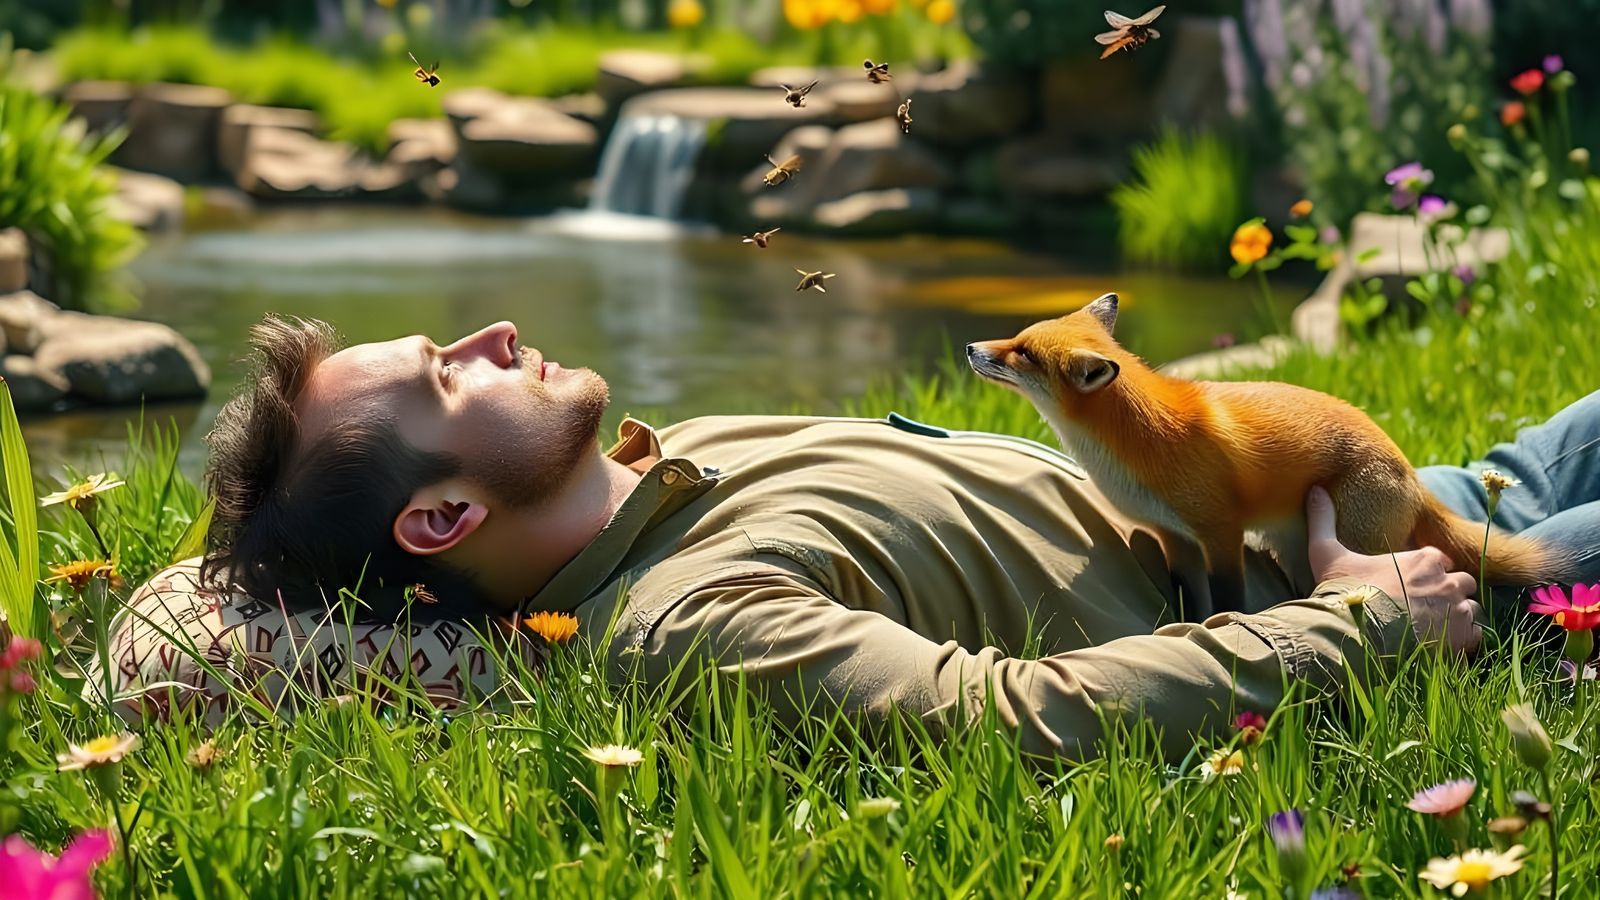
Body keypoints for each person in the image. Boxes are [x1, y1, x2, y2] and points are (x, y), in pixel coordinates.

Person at [191, 316, 1597, 760]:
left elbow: (183, 588)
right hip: (1431, 594)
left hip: (1430, 486)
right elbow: (1010, 720)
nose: (492, 334)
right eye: (451, 374)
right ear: (443, 518)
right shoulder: (691, 618)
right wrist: (1358, 622)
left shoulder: (663, 466)